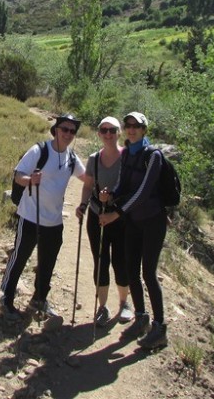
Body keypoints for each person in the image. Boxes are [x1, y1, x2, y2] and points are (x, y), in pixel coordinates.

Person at [0, 114, 87, 322]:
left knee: (47, 262)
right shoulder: (39, 150)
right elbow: (18, 175)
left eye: (72, 131)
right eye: (64, 129)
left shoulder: (72, 158)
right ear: (56, 129)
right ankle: (7, 297)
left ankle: (39, 299)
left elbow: (87, 178)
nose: (67, 134)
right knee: (20, 256)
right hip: (30, 216)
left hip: (54, 221)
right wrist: (31, 180)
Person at [99, 111, 169, 350]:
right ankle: (141, 318)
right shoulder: (128, 153)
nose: (131, 129)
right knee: (131, 269)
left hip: (153, 221)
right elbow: (123, 183)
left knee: (148, 272)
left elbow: (143, 192)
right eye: (128, 125)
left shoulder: (153, 157)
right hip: (134, 220)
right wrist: (112, 194)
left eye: (136, 126)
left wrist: (115, 213)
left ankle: (159, 328)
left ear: (144, 130)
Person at [76, 116, 132, 327]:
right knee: (100, 261)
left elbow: (131, 188)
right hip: (97, 215)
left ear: (119, 133)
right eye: (104, 130)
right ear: (99, 133)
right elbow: (87, 186)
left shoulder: (127, 158)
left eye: (112, 130)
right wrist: (82, 205)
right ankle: (102, 307)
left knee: (120, 260)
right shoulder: (93, 159)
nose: (108, 134)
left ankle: (125, 303)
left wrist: (113, 198)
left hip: (120, 217)